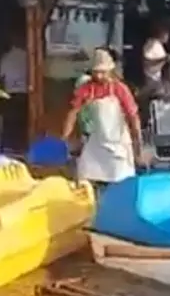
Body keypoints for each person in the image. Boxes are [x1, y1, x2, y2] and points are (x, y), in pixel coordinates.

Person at [62, 49, 144, 191]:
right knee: (85, 178)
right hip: (96, 143)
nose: (99, 76)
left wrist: (138, 145)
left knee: (121, 184)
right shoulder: (87, 89)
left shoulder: (120, 89)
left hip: (118, 145)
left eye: (103, 72)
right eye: (96, 72)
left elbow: (133, 116)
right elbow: (73, 113)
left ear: (110, 71)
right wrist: (64, 138)